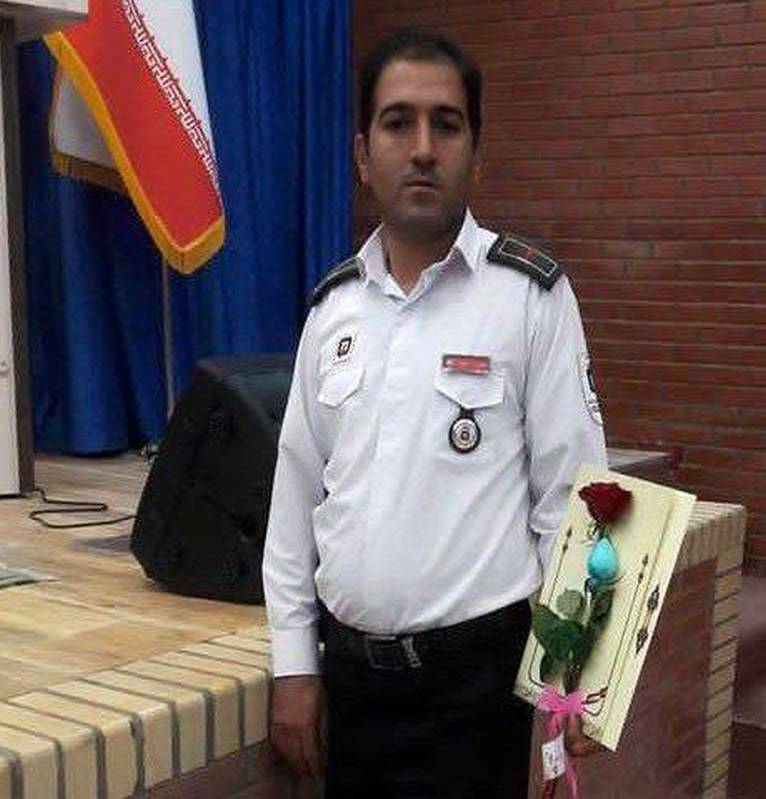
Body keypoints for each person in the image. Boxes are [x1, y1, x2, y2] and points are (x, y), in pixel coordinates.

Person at [263, 28, 607, 798]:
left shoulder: (530, 296)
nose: (422, 148)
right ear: (363, 154)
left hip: (474, 692)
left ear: (476, 154)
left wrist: (576, 675)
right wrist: (293, 665)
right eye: (398, 123)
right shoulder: (333, 309)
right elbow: (295, 501)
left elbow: (576, 500)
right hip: (350, 688)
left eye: (445, 125)